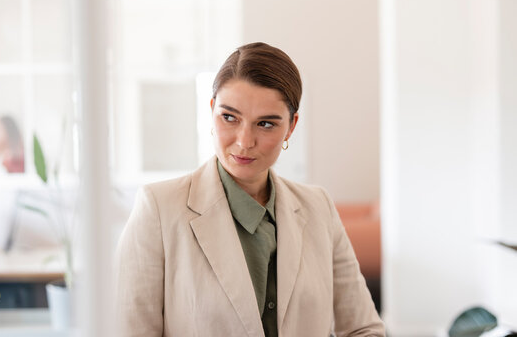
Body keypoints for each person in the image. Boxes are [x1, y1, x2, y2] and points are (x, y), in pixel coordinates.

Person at [115, 42, 385, 336]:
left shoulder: (318, 206)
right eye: (229, 117)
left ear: (290, 127)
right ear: (211, 111)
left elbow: (364, 328)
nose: (244, 141)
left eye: (266, 124)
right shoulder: (158, 209)